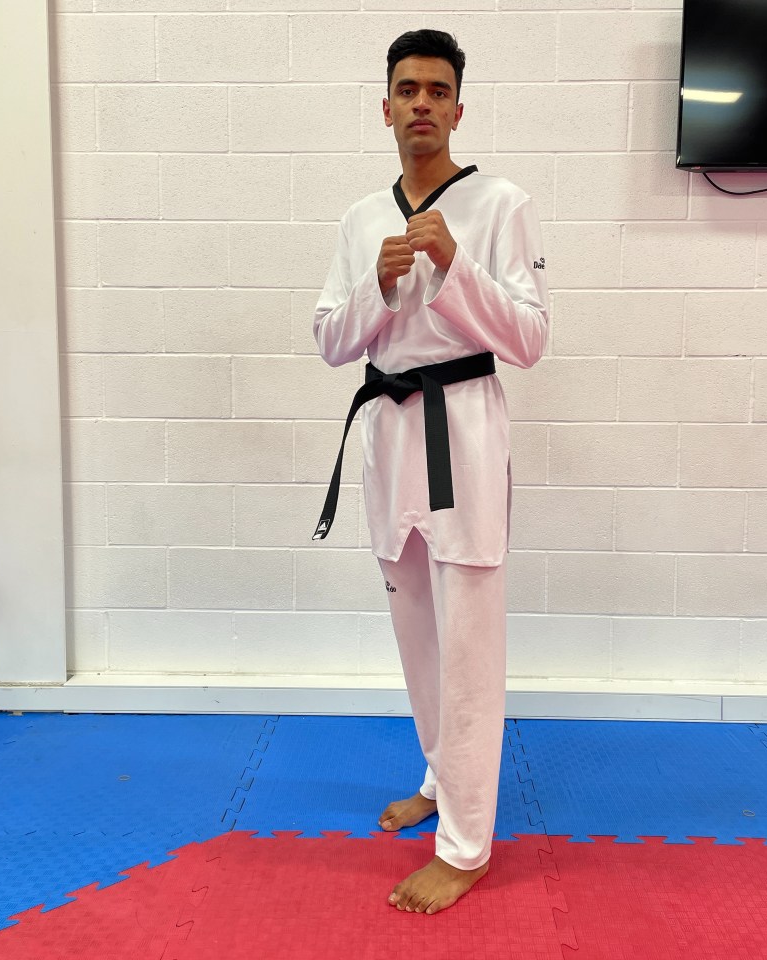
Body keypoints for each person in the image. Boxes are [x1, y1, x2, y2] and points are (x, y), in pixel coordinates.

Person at [312, 29, 548, 915]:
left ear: (458, 106)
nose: (420, 102)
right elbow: (330, 343)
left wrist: (454, 266)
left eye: (436, 89)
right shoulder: (358, 218)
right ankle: (440, 778)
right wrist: (376, 286)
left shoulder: (500, 205)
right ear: (384, 107)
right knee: (416, 630)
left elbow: (527, 339)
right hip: (387, 433)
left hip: (463, 435)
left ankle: (467, 844)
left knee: (469, 643)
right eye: (405, 88)